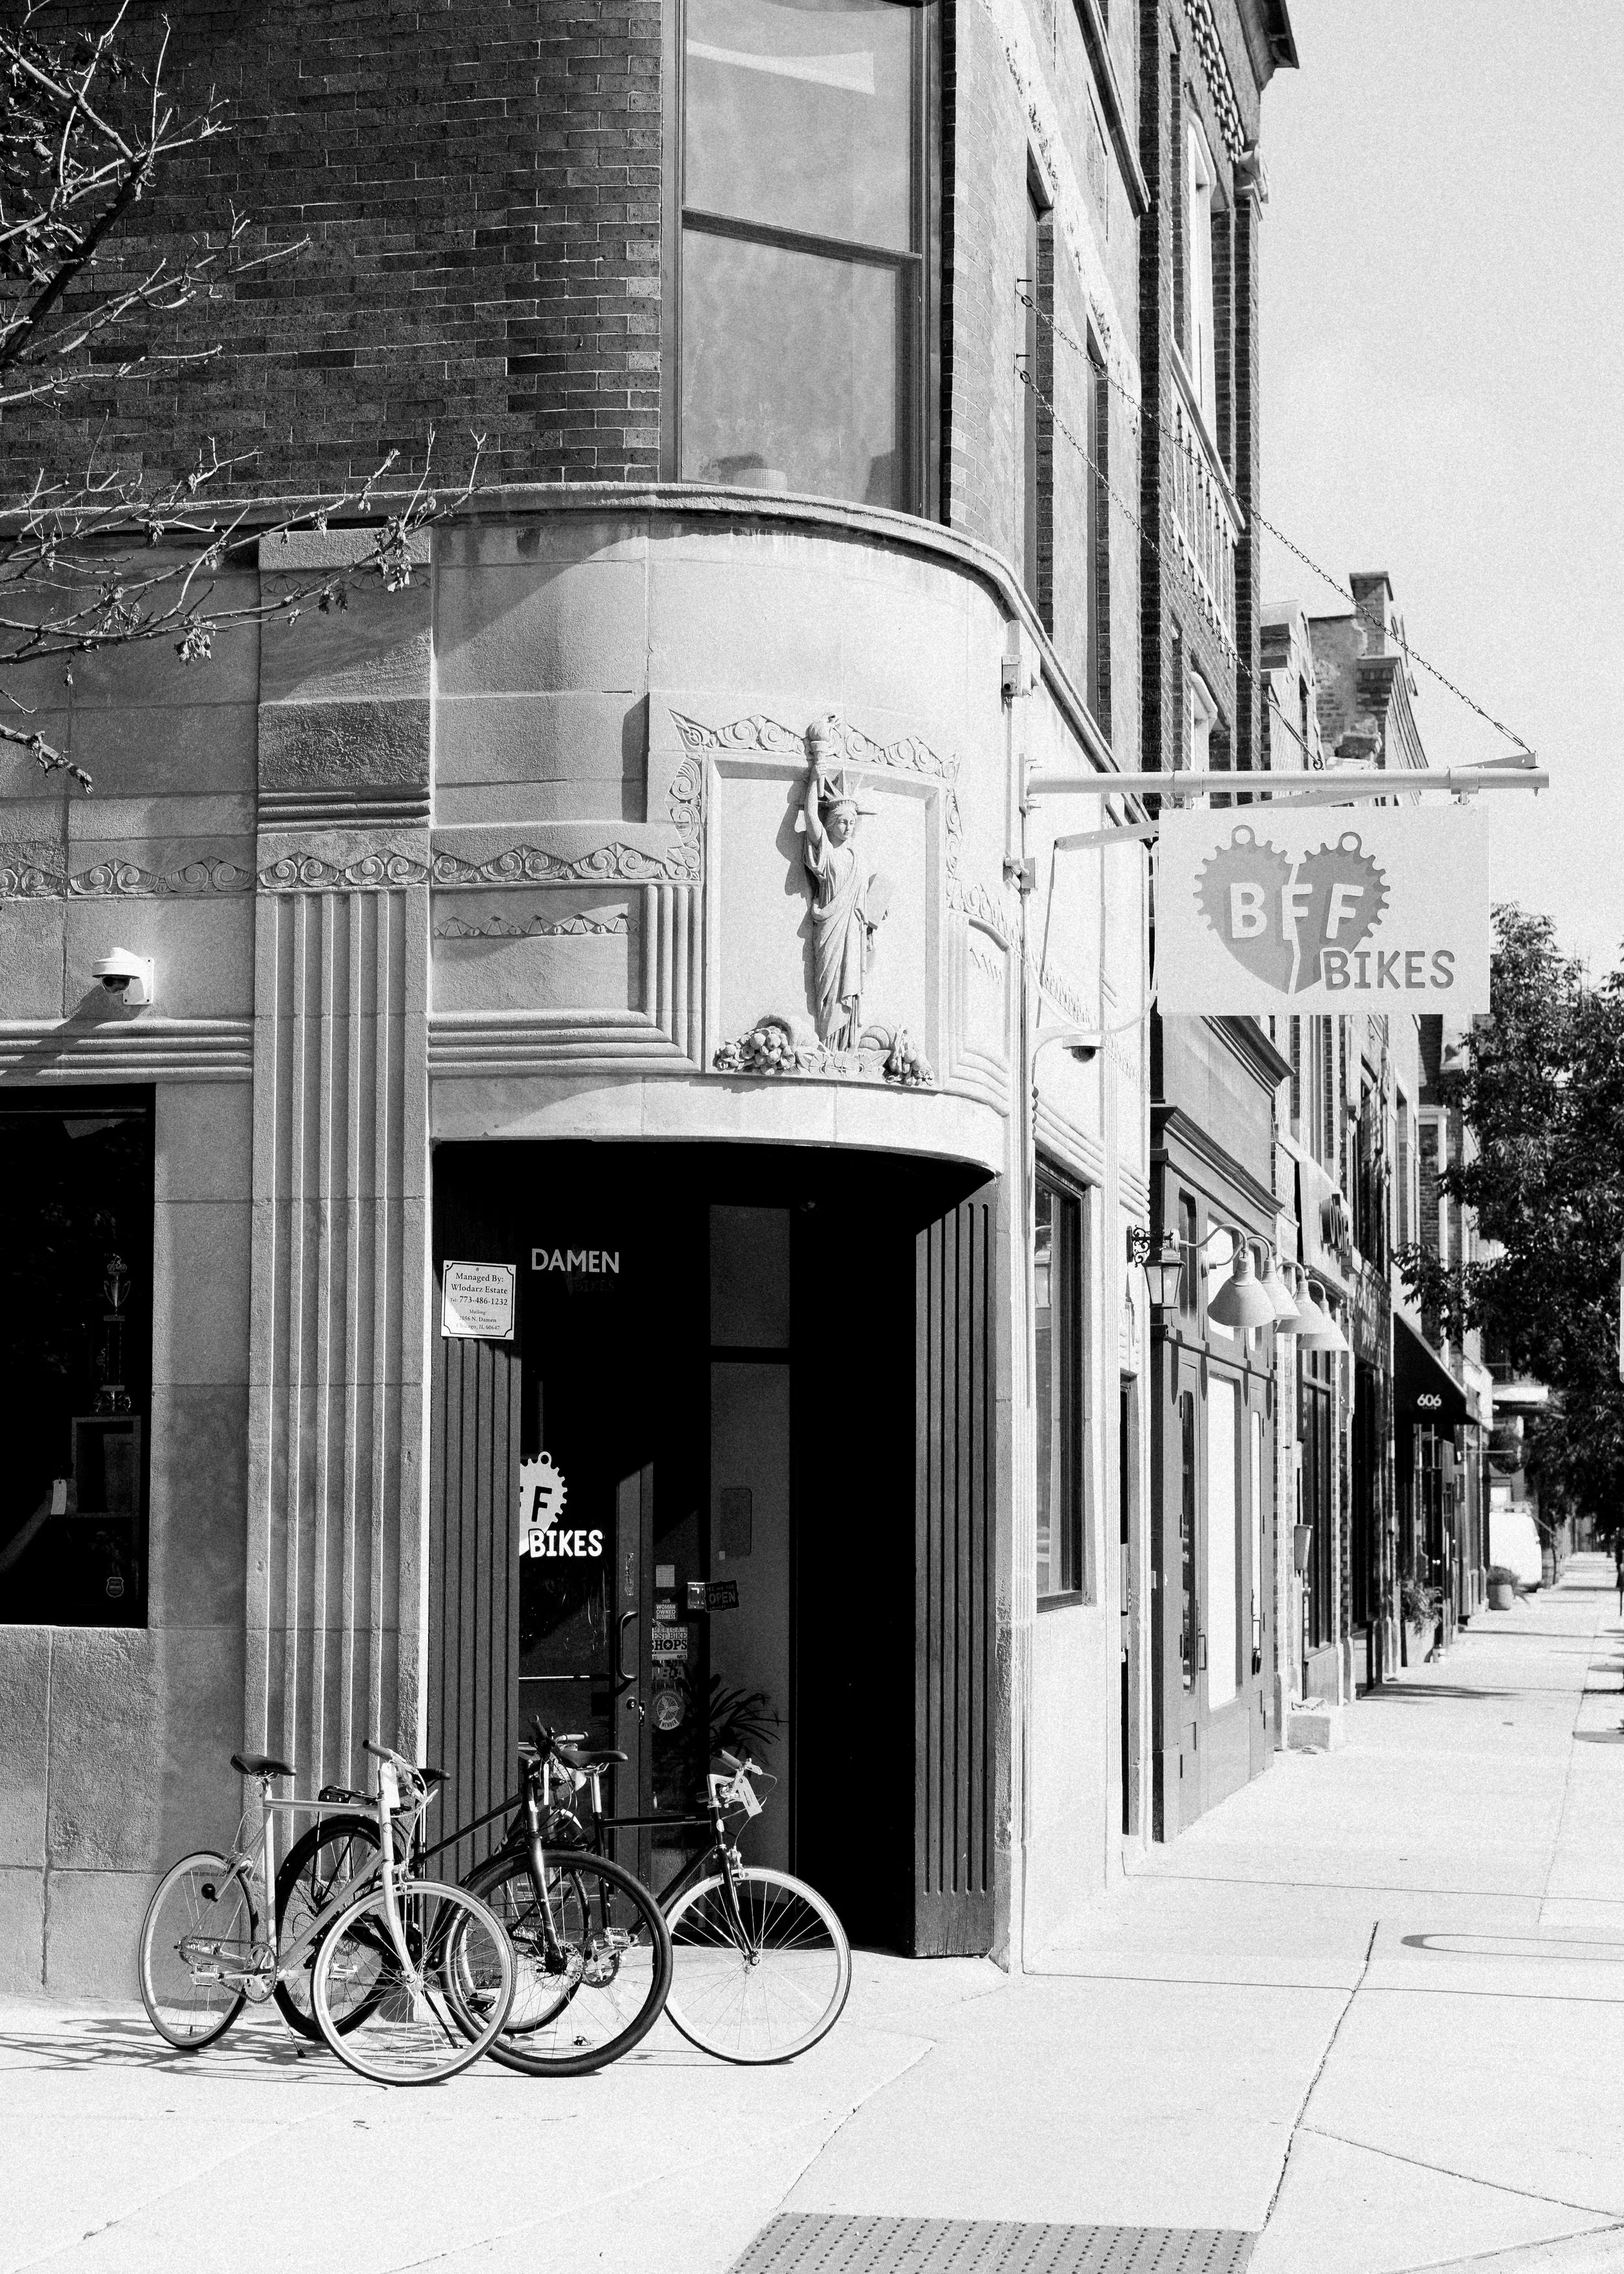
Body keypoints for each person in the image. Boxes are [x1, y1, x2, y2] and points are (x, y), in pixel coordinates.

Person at [800, 715, 880, 1049]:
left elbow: (864, 899)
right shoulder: (828, 854)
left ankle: (845, 1044)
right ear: (831, 823)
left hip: (854, 932)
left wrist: (874, 917)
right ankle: (827, 1040)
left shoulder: (858, 860)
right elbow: (810, 818)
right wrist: (814, 779)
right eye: (841, 821)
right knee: (829, 986)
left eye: (851, 823)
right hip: (831, 928)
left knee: (850, 987)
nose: (847, 828)